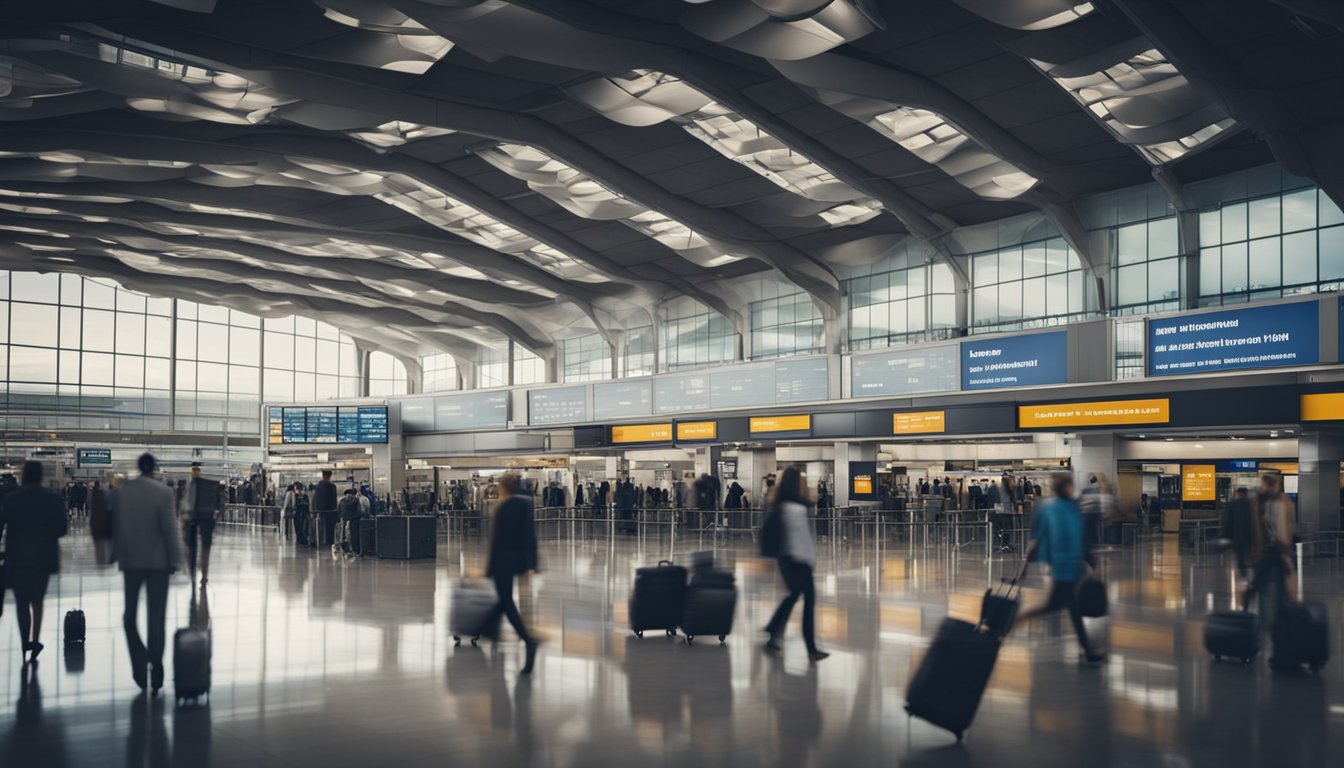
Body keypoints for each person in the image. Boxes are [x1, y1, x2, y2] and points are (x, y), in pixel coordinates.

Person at [1015, 473, 1105, 664]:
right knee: (1053, 605)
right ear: (1066, 487)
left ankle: (1088, 650)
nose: (1073, 489)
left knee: (1073, 608)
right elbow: (1036, 539)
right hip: (1060, 566)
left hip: (1073, 566)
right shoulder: (1049, 509)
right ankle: (1014, 621)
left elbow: (1081, 539)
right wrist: (1024, 566)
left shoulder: (1074, 508)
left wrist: (1093, 563)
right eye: (1070, 486)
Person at [112, 453, 182, 693]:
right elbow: (170, 529)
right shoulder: (164, 493)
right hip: (158, 563)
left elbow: (117, 526)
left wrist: (115, 553)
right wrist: (176, 559)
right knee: (156, 618)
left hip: (130, 562)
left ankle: (139, 664)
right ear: (154, 468)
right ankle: (157, 665)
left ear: (138, 467)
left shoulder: (124, 491)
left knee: (128, 618)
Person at [0, 461, 68, 663]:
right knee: (37, 600)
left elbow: (1, 525)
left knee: (22, 602)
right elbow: (61, 530)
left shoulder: (12, 499)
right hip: (43, 557)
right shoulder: (51, 499)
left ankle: (24, 642)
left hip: (18, 557)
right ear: (40, 477)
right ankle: (36, 640)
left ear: (23, 476)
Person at [763, 465, 829, 663]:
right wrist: (810, 561)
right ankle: (811, 649)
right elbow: (802, 540)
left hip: (785, 559)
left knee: (793, 596)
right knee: (808, 601)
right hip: (799, 561)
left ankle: (773, 632)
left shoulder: (779, 505)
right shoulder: (797, 508)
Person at [485, 472, 540, 674]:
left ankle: (528, 640)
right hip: (517, 562)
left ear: (503, 487)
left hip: (502, 563)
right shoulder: (525, 504)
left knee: (506, 602)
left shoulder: (502, 508)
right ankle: (491, 633)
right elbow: (529, 535)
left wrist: (488, 569)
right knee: (501, 601)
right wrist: (530, 565)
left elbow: (496, 542)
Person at [1245, 473, 1296, 663]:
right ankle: (1270, 648)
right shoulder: (1269, 503)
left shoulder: (1273, 504)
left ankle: (1265, 647)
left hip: (1270, 559)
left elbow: (1281, 534)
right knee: (1272, 602)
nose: (1262, 487)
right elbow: (1280, 534)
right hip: (1269, 559)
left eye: (1265, 484)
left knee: (1270, 603)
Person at [180, 462, 222, 586]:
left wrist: (185, 516)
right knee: (201, 547)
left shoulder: (194, 485)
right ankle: (201, 574)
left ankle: (198, 574)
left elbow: (188, 502)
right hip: (204, 517)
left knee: (196, 547)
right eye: (194, 470)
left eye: (196, 470)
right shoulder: (210, 485)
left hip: (195, 517)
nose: (195, 472)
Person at [313, 470, 339, 550]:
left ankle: (318, 541)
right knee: (330, 528)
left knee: (319, 527)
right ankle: (330, 541)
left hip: (320, 511)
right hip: (331, 511)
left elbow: (315, 499)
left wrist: (315, 508)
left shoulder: (318, 486)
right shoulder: (332, 486)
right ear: (330, 476)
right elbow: (334, 500)